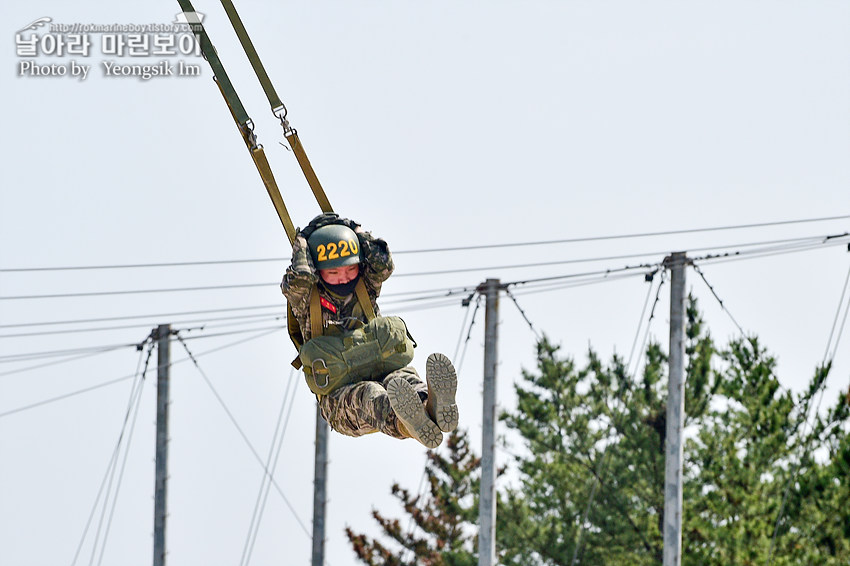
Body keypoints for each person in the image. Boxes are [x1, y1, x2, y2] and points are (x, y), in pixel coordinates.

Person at [281, 212, 458, 449]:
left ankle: (432, 407)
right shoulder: (305, 298)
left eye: (350, 269)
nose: (344, 278)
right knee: (371, 394)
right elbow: (300, 277)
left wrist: (354, 229)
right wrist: (302, 241)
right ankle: (409, 424)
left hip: (385, 370)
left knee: (405, 382)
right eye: (333, 272)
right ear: (318, 271)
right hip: (340, 399)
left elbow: (382, 262)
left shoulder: (365, 286)